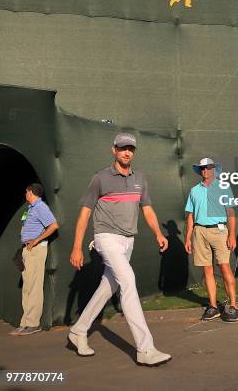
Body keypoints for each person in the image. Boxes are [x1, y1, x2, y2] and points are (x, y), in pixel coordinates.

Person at [68, 133, 171, 366]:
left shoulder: (140, 178)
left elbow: (147, 209)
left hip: (128, 241)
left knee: (108, 288)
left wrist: (158, 233)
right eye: (123, 148)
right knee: (128, 281)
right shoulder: (100, 178)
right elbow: (85, 213)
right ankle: (145, 349)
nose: (127, 152)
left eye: (131, 149)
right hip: (106, 237)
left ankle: (78, 330)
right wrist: (76, 247)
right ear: (113, 150)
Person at [184, 157, 238, 322]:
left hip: (219, 231)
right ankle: (213, 306)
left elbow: (230, 212)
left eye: (208, 167)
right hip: (199, 231)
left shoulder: (224, 187)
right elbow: (190, 215)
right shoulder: (194, 190)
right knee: (207, 270)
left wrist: (232, 234)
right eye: (202, 168)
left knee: (224, 267)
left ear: (214, 169)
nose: (205, 170)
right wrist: (188, 238)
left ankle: (234, 306)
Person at [10, 183, 59, 336]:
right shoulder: (31, 208)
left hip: (35, 250)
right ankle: (25, 323)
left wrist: (36, 240)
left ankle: (33, 324)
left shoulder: (40, 207)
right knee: (27, 287)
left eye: (26, 192)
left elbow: (53, 226)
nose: (25, 194)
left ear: (30, 192)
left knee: (34, 286)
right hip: (26, 250)